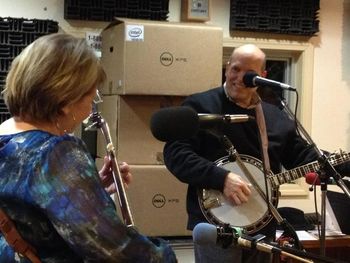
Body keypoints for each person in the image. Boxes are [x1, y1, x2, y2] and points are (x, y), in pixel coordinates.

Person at [163, 44, 349, 262]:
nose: (239, 77)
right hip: (217, 227)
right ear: (227, 68)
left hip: (264, 226)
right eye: (235, 69)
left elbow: (303, 157)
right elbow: (176, 153)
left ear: (262, 76)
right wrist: (221, 178)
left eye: (248, 73)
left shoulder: (275, 116)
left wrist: (342, 163)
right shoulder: (200, 105)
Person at [0, 33, 177, 262]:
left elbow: (31, 208)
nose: (91, 108)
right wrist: (165, 254)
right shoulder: (56, 152)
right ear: (65, 101)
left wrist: (88, 187)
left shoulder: (7, 137)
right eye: (90, 97)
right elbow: (114, 249)